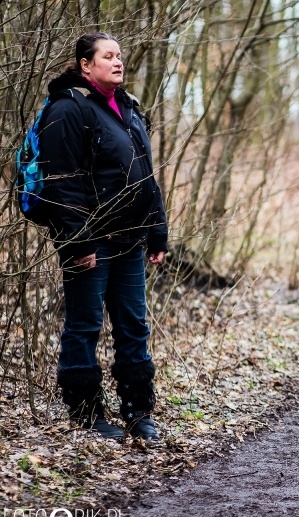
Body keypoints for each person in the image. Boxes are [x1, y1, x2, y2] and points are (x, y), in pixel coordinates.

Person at [38, 32, 168, 441]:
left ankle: (138, 413)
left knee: (133, 326)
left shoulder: (128, 108)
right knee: (85, 326)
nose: (118, 62)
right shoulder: (67, 110)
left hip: (131, 239)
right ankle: (86, 414)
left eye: (119, 56)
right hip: (90, 243)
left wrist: (158, 232)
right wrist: (78, 242)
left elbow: (146, 176)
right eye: (107, 56)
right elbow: (62, 182)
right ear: (85, 64)